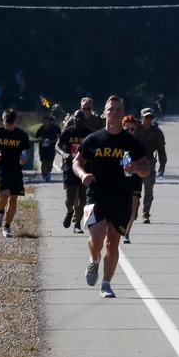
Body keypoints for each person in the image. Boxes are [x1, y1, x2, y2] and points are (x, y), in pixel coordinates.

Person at [72, 95, 150, 298]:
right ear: (104, 113)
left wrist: (135, 168)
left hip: (121, 198)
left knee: (112, 242)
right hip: (96, 195)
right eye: (110, 109)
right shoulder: (93, 140)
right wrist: (83, 175)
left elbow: (146, 168)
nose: (114, 112)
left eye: (118, 109)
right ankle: (94, 260)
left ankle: (106, 284)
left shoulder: (131, 143)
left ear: (123, 114)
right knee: (96, 237)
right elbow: (76, 162)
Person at [0, 108, 30, 238]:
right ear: (3, 120)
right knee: (4, 194)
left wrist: (25, 157)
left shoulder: (21, 135)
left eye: (11, 122)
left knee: (13, 199)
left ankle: (7, 227)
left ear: (15, 121)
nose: (9, 125)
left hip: (16, 168)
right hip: (2, 167)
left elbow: (26, 150)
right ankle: (0, 212)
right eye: (6, 122)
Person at [57, 109, 92, 233]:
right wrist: (64, 154)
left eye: (81, 118)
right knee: (70, 197)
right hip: (70, 168)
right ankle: (69, 211)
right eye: (76, 118)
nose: (78, 120)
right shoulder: (68, 132)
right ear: (73, 119)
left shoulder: (89, 134)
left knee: (83, 197)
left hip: (84, 169)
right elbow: (57, 145)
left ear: (84, 120)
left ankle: (77, 223)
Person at [136, 107, 167, 224]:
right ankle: (134, 209)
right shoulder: (135, 129)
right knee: (135, 189)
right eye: (146, 117)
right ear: (141, 117)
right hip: (136, 160)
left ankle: (146, 213)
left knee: (149, 189)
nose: (149, 119)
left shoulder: (156, 132)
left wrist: (162, 165)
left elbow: (161, 149)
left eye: (150, 117)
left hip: (149, 161)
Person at [121, 114, 143, 243]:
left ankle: (126, 233)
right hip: (120, 180)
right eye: (126, 129)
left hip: (134, 179)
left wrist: (136, 166)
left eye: (132, 129)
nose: (129, 132)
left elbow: (144, 162)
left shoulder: (137, 145)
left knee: (132, 210)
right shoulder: (117, 143)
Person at [34, 114, 61, 182]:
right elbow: (36, 139)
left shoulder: (52, 130)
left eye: (47, 121)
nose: (45, 123)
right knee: (43, 162)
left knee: (49, 163)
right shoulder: (40, 130)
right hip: (42, 149)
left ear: (49, 122)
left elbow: (56, 138)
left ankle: (48, 172)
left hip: (51, 149)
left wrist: (51, 142)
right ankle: (43, 177)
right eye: (44, 121)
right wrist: (40, 140)